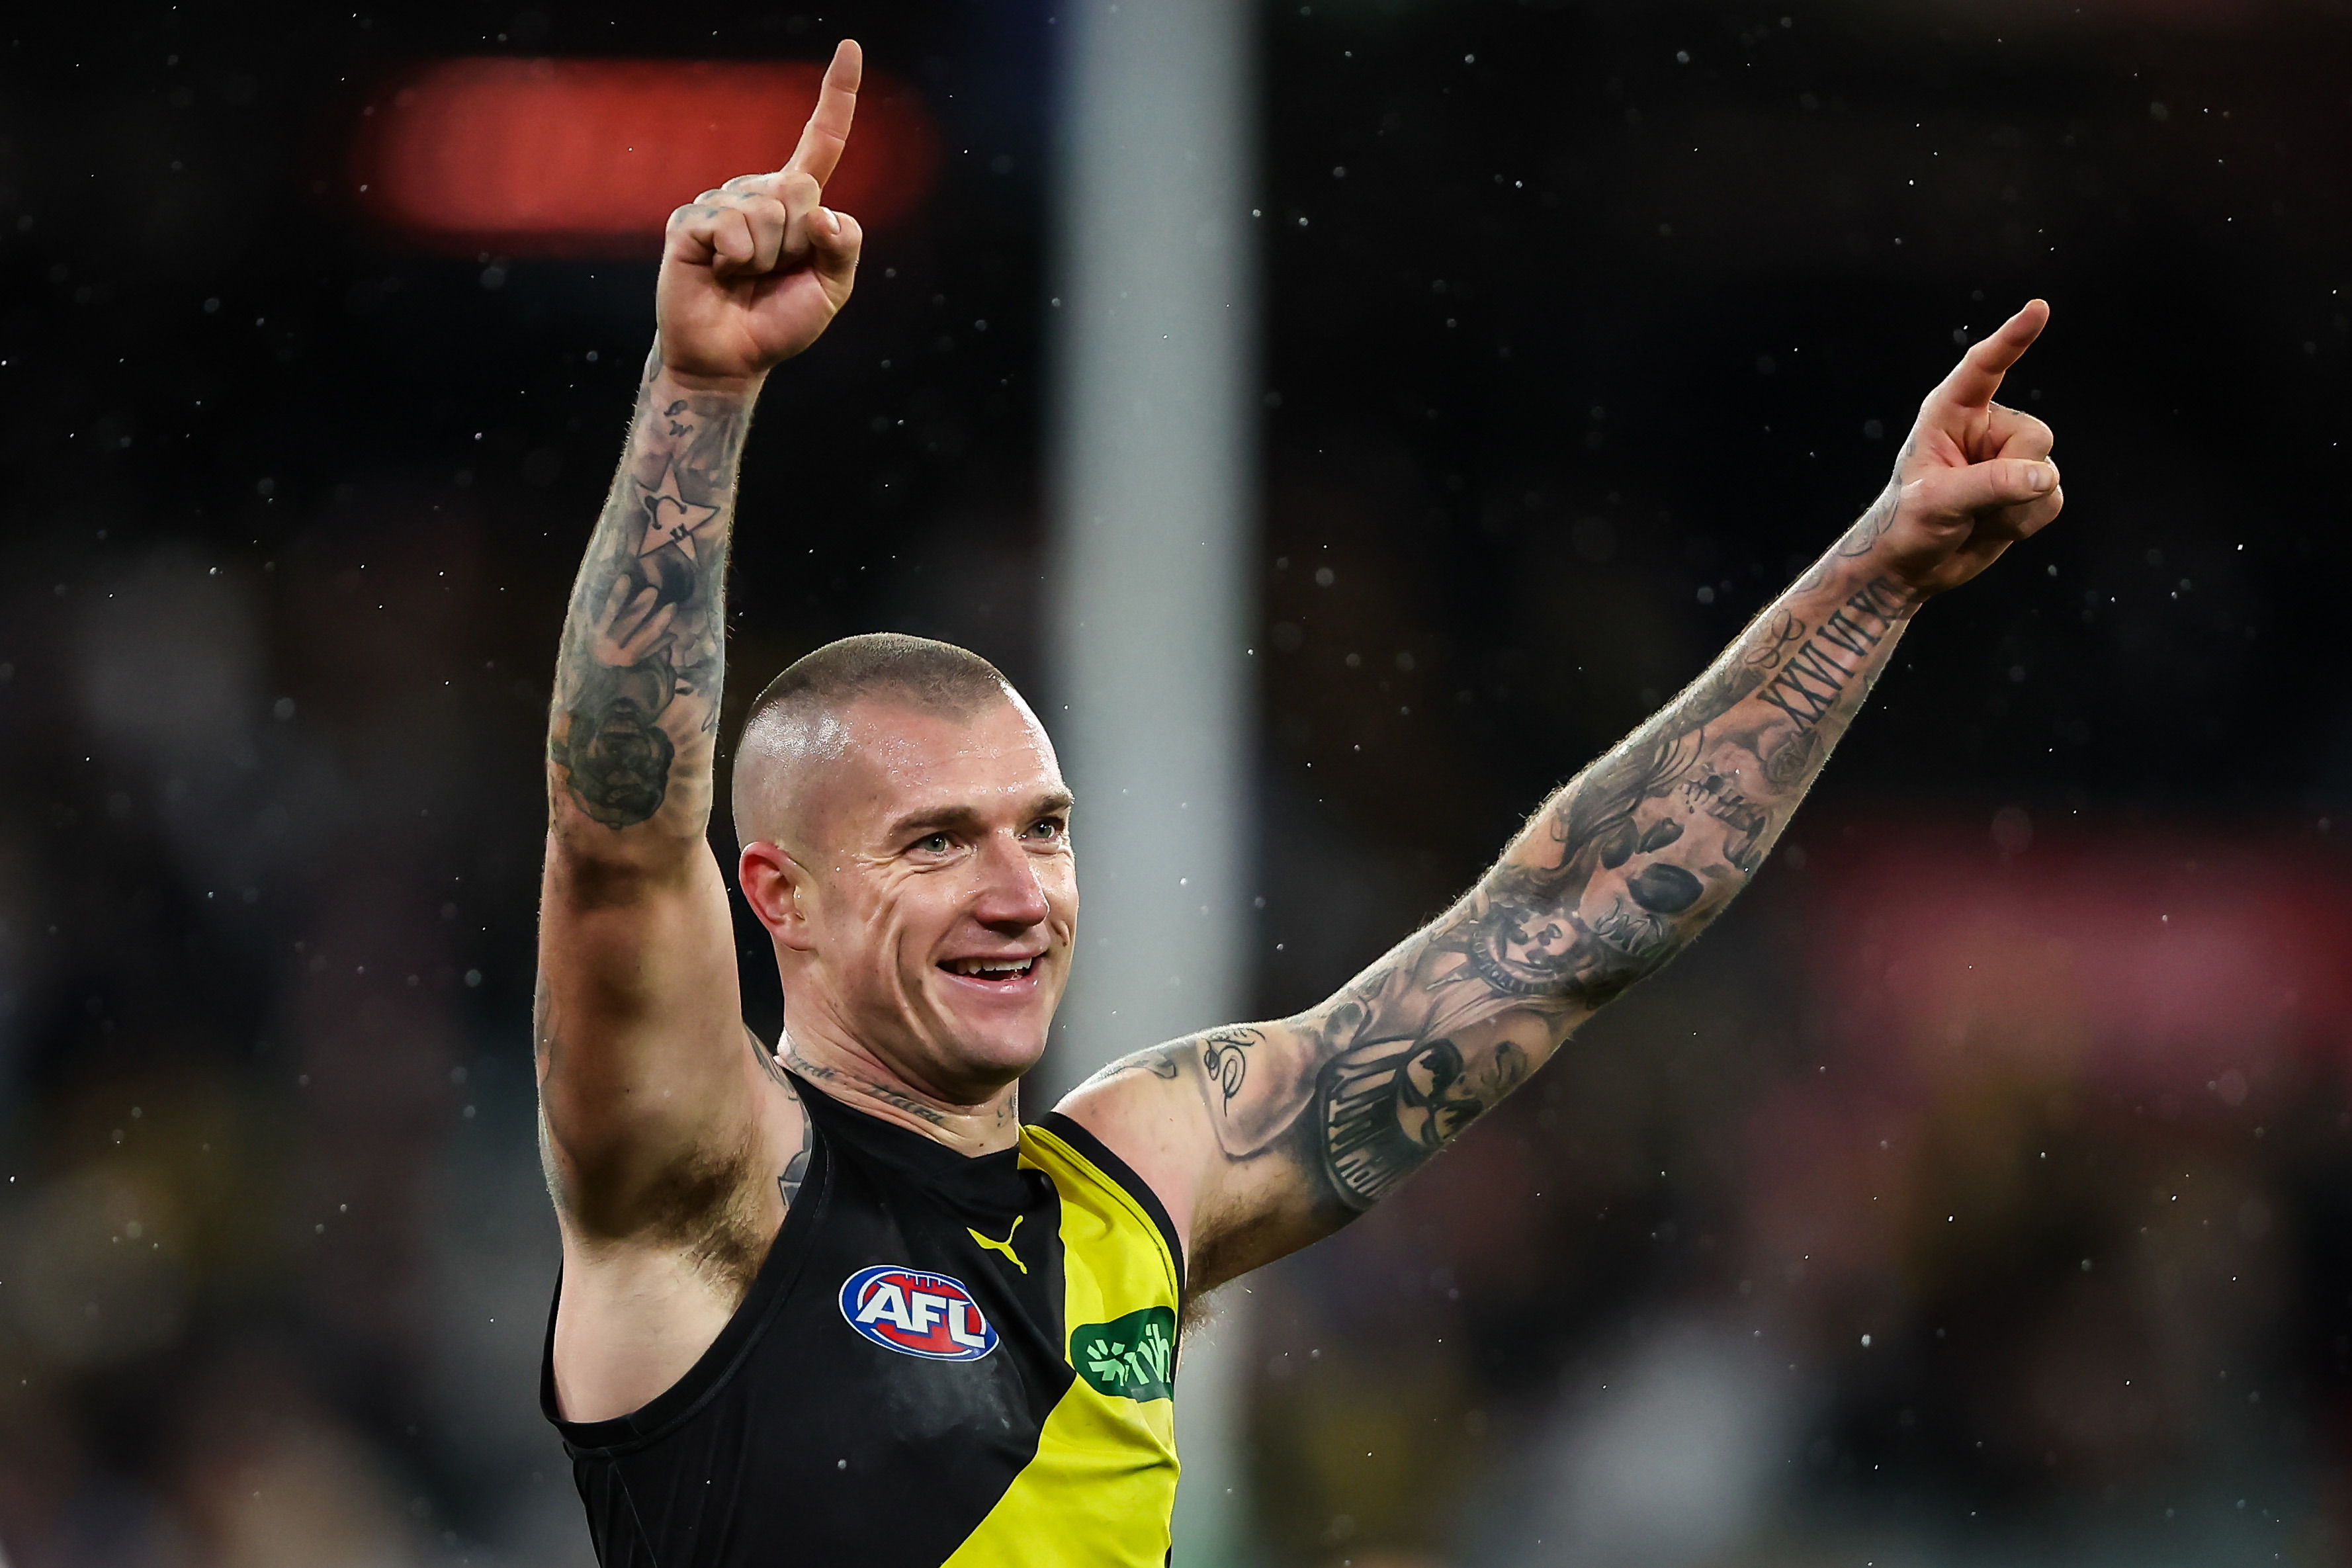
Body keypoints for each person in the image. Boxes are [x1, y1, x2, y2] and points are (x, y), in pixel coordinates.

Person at [533, 37, 2065, 1567]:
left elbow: (1561, 924)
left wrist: (1873, 584)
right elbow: (617, 838)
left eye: (1043, 830)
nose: (1017, 894)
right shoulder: (706, 1188)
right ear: (779, 893)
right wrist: (700, 390)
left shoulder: (1140, 1180)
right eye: (935, 843)